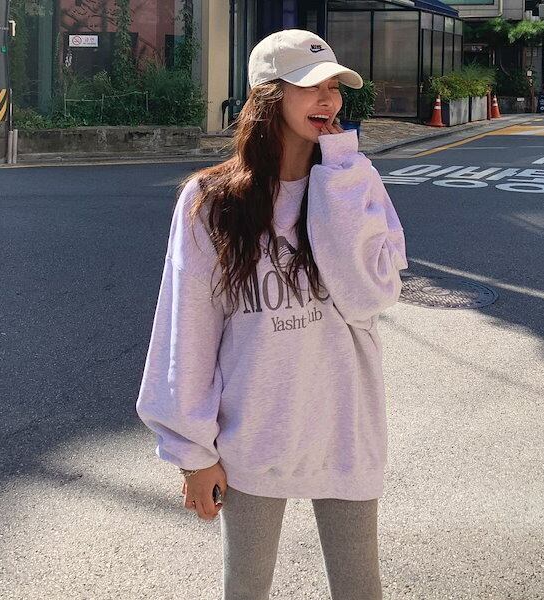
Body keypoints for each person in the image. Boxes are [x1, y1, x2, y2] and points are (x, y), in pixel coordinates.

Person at [136, 28, 408, 600]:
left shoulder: (353, 181)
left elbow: (371, 296)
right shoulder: (211, 201)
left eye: (334, 86)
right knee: (246, 588)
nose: (328, 99)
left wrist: (339, 172)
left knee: (361, 589)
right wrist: (192, 454)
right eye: (309, 86)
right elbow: (187, 330)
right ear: (268, 95)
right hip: (254, 431)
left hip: (345, 426)